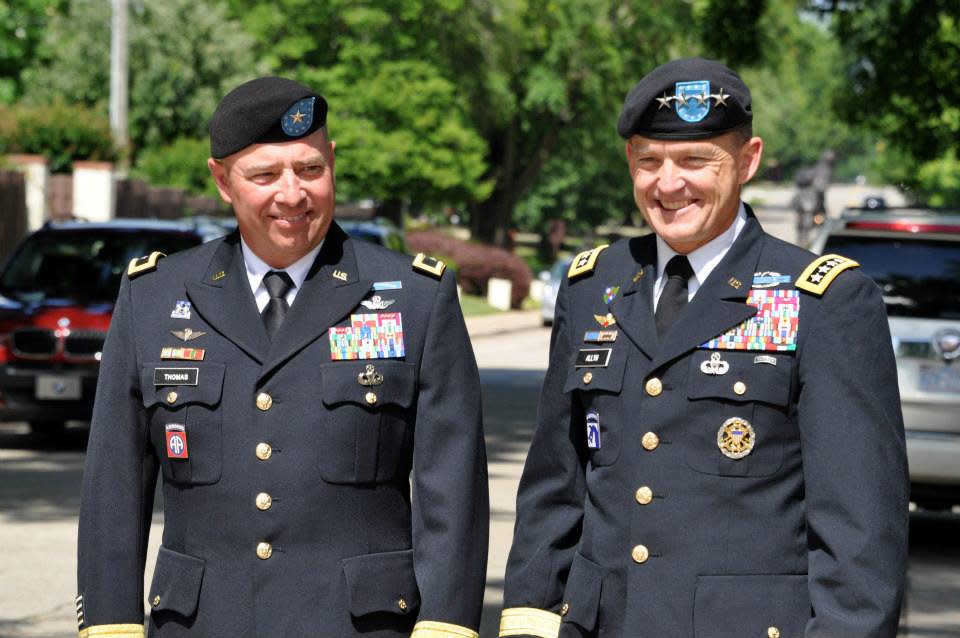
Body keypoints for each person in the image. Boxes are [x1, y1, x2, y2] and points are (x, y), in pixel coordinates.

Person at [498, 58, 907, 638]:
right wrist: (528, 622)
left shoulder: (823, 300)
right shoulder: (594, 285)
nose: (669, 184)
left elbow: (859, 534)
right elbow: (554, 489)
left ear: (747, 160)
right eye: (650, 162)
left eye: (696, 160)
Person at [76, 77, 488, 638]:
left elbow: (453, 493)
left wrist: (445, 626)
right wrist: (110, 624)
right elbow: (113, 488)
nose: (291, 195)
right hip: (200, 625)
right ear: (222, 179)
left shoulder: (414, 297)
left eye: (310, 169)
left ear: (333, 160)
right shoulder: (153, 297)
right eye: (265, 175)